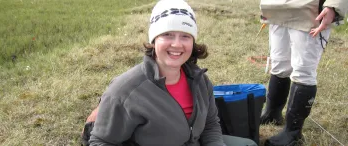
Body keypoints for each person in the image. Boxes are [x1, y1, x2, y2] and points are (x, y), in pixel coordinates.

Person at [85, 0, 257, 146]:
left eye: (185, 36)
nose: (177, 44)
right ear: (154, 40)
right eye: (167, 35)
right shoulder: (125, 91)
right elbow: (100, 141)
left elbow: (210, 125)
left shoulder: (199, 80)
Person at [259, 0, 348, 145]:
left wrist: (333, 6)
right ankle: (272, 113)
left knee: (303, 72)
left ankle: (293, 133)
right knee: (279, 64)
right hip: (276, 8)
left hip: (309, 11)